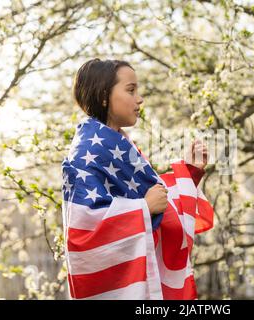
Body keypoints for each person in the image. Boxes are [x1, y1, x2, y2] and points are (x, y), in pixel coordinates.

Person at [61, 58, 214, 299]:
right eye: (131, 90)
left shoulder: (120, 146)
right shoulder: (85, 155)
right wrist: (143, 208)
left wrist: (189, 172)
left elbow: (157, 200)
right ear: (103, 97)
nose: (139, 98)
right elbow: (85, 232)